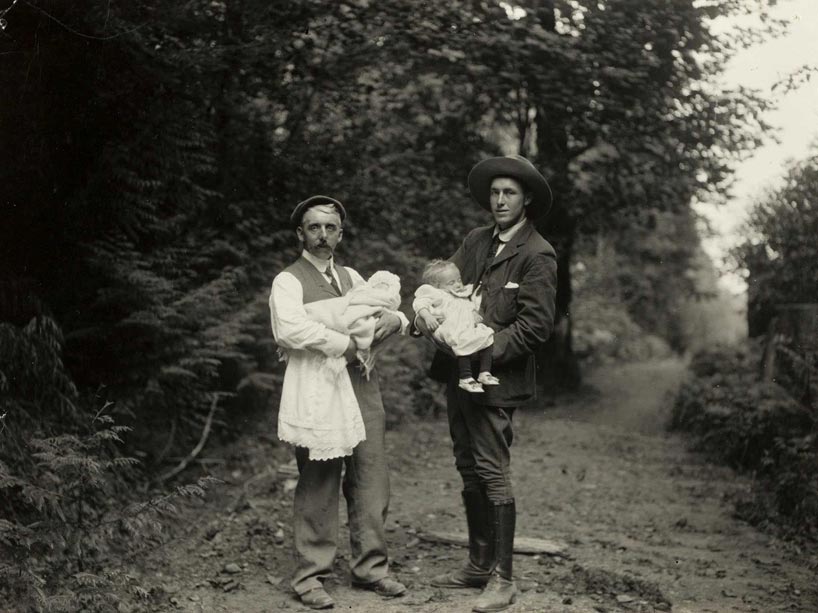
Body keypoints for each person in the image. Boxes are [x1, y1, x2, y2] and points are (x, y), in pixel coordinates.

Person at [416, 156, 558, 613]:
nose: (499, 200)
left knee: (492, 468)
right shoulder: (476, 241)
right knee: (466, 463)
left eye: (509, 193)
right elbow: (439, 290)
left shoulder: (538, 253)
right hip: (457, 376)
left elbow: (535, 327)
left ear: (527, 199)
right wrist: (423, 315)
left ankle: (503, 577)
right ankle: (478, 563)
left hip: (495, 378)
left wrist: (477, 348)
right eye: (495, 193)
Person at [269, 195, 409, 610]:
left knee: (371, 478)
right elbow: (290, 330)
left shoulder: (351, 276)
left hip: (362, 385)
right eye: (314, 227)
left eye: (330, 228)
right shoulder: (288, 281)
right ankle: (311, 576)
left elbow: (382, 310)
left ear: (341, 234)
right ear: (300, 233)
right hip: (318, 389)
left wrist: (394, 320)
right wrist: (346, 344)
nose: (322, 235)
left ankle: (371, 569)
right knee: (319, 480)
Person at [413, 259, 498, 394]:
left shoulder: (460, 295)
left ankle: (484, 372)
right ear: (437, 286)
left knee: (486, 334)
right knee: (461, 341)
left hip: (464, 328)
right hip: (447, 329)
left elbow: (469, 307)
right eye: (451, 283)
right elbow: (419, 304)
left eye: (459, 280)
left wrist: (474, 314)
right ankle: (466, 378)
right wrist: (427, 316)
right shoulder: (437, 295)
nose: (458, 285)